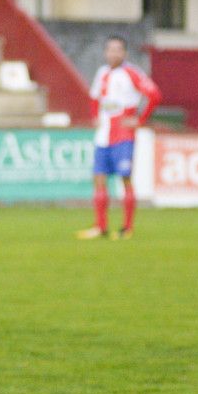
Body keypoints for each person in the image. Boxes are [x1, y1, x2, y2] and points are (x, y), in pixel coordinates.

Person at [77, 36, 161, 241]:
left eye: (118, 50)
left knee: (125, 179)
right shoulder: (102, 73)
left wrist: (139, 120)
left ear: (125, 53)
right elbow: (94, 97)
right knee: (99, 179)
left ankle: (127, 227)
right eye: (110, 50)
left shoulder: (131, 72)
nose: (114, 53)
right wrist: (96, 116)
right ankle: (101, 227)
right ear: (106, 52)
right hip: (103, 134)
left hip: (123, 134)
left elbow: (154, 95)